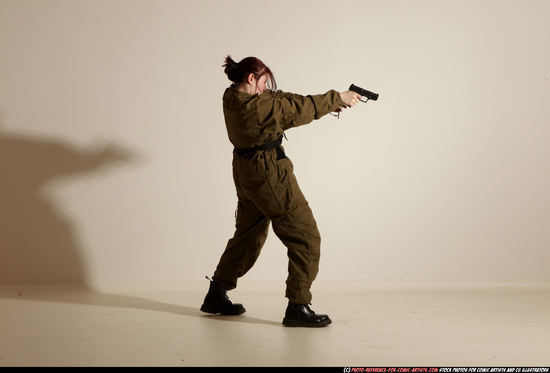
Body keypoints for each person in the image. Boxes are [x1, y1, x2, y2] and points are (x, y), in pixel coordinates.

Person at [200, 55, 362, 327]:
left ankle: (217, 293)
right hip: (268, 173)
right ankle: (298, 306)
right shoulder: (258, 108)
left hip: (245, 172)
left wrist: (328, 103)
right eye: (263, 82)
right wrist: (338, 98)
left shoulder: (232, 97)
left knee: (247, 235)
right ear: (251, 79)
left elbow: (282, 100)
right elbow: (295, 109)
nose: (265, 88)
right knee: (305, 235)